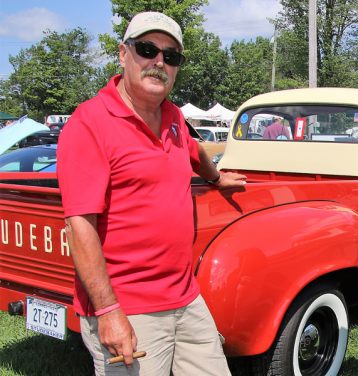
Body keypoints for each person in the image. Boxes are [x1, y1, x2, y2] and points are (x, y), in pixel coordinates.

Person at [57, 11, 246, 376]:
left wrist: (216, 177)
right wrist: (109, 311)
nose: (159, 62)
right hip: (129, 306)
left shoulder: (173, 116)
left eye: (171, 56)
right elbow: (79, 225)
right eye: (147, 49)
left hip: (185, 297)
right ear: (123, 54)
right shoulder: (89, 124)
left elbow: (193, 151)